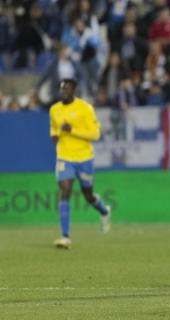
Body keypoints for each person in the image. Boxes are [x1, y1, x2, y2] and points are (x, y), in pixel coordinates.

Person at [49, 79, 111, 249]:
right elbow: (54, 131)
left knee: (88, 195)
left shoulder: (85, 108)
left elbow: (95, 134)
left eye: (67, 88)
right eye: (62, 88)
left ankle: (104, 211)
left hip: (84, 158)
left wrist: (72, 130)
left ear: (74, 89)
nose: (64, 91)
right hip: (64, 157)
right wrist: (54, 136)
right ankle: (65, 236)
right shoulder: (54, 110)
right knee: (65, 190)